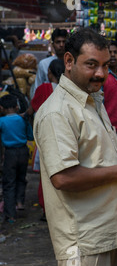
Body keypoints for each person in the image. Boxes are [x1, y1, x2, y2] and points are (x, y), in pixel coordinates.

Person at [33, 27, 117, 266]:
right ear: (68, 61)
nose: (100, 73)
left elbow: (98, 161)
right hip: (84, 242)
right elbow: (63, 178)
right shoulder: (57, 112)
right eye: (91, 65)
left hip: (108, 233)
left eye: (105, 65)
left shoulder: (92, 100)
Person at [28, 58, 65, 221]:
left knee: (46, 174)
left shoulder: (43, 88)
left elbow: (32, 109)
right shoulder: (66, 90)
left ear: (49, 73)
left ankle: (46, 209)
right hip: (63, 136)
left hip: (46, 136)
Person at [0, 94, 34, 224]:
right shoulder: (23, 120)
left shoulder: (2, 121)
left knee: (9, 183)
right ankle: (20, 202)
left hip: (10, 153)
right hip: (24, 151)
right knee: (21, 178)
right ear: (16, 106)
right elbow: (30, 137)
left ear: (1, 108)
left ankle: (11, 215)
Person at [30, 28, 68, 99]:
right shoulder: (44, 64)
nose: (61, 45)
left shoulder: (73, 63)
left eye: (64, 42)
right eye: (58, 42)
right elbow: (37, 88)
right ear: (53, 45)